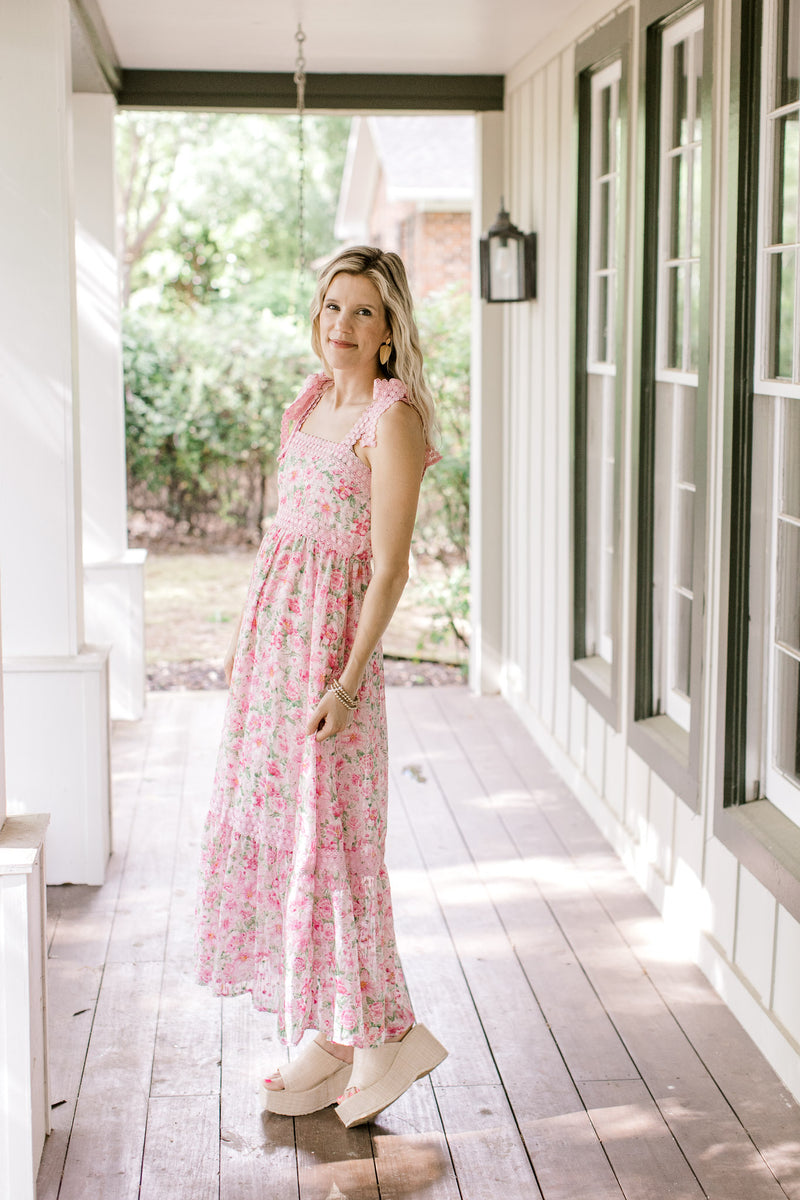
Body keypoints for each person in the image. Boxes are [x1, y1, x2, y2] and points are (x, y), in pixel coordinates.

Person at [195, 245, 447, 1128]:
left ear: (388, 334)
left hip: (332, 659)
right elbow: (282, 536)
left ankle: (384, 1032)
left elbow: (388, 569)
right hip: (276, 648)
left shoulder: (393, 418)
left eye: (363, 313)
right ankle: (333, 1035)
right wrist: (243, 639)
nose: (341, 327)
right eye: (331, 307)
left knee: (339, 842)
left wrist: (345, 682)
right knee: (294, 838)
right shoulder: (308, 403)